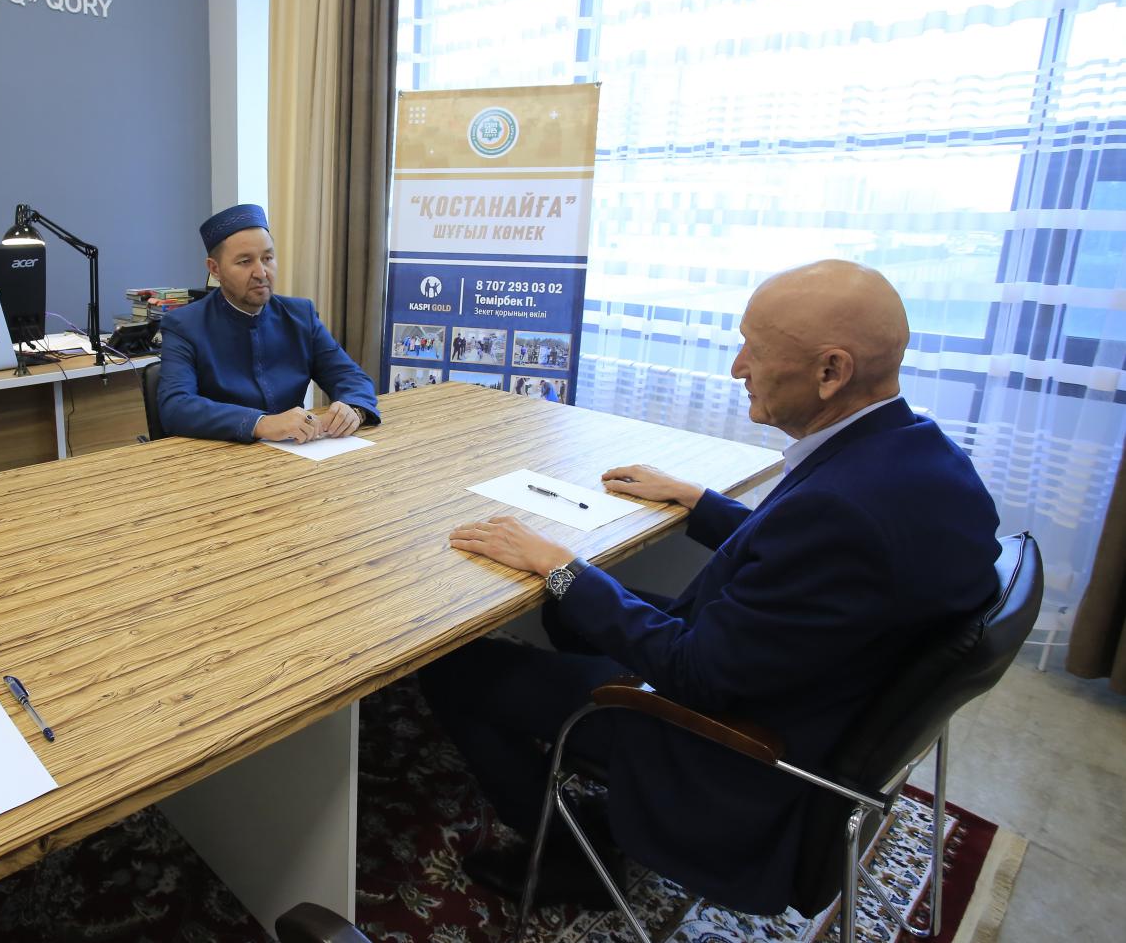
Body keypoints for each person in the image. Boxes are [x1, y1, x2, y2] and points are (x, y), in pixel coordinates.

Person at [419, 260, 1000, 913]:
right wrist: (700, 502)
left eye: (756, 349)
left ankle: (572, 859)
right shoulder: (921, 457)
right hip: (809, 688)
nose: (737, 367)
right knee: (569, 613)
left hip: (729, 745)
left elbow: (695, 674)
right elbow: (807, 564)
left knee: (455, 668)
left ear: (831, 372)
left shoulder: (841, 515)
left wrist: (558, 566)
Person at [157, 204, 380, 443]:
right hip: (220, 453)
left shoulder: (300, 315)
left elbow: (350, 377)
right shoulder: (184, 325)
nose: (261, 273)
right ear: (215, 269)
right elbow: (176, 407)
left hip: (298, 450)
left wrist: (353, 409)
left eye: (267, 258)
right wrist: (260, 423)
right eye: (245, 261)